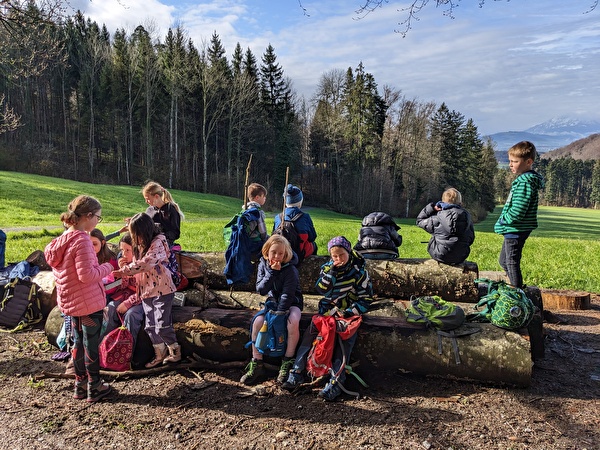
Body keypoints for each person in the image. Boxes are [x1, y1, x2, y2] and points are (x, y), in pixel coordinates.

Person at [282, 236, 373, 401]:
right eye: (334, 256)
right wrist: (331, 273)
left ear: (349, 252)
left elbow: (366, 299)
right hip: (327, 312)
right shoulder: (327, 268)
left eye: (342, 255)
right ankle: (297, 371)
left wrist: (350, 311)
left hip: (348, 314)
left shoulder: (359, 272)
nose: (338, 259)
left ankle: (336, 382)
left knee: (344, 341)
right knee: (309, 336)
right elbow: (322, 289)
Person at [44, 195, 113, 403]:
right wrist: (110, 267)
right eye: (98, 218)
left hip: (71, 302)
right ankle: (95, 386)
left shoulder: (63, 239)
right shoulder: (82, 240)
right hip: (88, 303)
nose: (97, 222)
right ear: (89, 216)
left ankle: (80, 384)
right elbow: (87, 275)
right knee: (90, 344)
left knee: (77, 343)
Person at [112, 212, 180, 368]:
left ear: (144, 231)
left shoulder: (159, 242)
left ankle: (175, 352)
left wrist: (125, 270)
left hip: (162, 289)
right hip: (146, 290)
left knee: (162, 324)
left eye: (136, 234)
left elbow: (147, 262)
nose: (134, 238)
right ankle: (159, 354)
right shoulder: (141, 243)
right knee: (150, 326)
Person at [240, 235, 303, 386]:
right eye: (273, 252)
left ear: (285, 254)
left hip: (291, 304)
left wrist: (281, 313)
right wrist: (272, 273)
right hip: (271, 304)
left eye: (280, 253)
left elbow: (288, 294)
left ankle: (287, 361)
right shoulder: (263, 265)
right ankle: (257, 362)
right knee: (258, 322)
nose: (277, 256)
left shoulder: (291, 269)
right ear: (267, 252)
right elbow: (261, 289)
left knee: (292, 321)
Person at [494, 141, 545, 288]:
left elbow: (519, 209)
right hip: (514, 229)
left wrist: (505, 220)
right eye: (509, 161)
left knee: (511, 262)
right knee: (504, 261)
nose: (510, 164)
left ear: (528, 162)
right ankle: (516, 289)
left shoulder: (525, 182)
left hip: (515, 228)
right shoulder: (525, 180)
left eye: (515, 161)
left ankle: (517, 294)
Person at [102, 233, 144, 354]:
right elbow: (122, 286)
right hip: (124, 295)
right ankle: (103, 348)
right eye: (122, 250)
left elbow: (145, 291)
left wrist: (128, 303)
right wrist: (123, 272)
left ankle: (127, 354)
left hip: (141, 300)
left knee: (131, 316)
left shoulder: (142, 265)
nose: (124, 254)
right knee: (109, 310)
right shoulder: (125, 263)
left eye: (128, 250)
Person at [416, 188, 475, 265]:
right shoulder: (467, 218)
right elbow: (471, 238)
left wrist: (431, 208)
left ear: (443, 201)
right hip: (461, 255)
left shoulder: (437, 218)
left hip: (440, 254)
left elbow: (419, 221)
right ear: (460, 202)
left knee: (435, 237)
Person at [272, 184, 317, 261]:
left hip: (281, 252)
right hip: (298, 253)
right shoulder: (305, 217)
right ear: (300, 201)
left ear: (285, 202)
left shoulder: (278, 217)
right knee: (314, 245)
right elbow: (312, 237)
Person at [141, 181, 184, 247]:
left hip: (164, 243)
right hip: (148, 240)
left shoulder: (170, 210)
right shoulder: (150, 210)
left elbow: (175, 233)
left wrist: (161, 236)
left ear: (156, 196)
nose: (146, 202)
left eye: (148, 199)